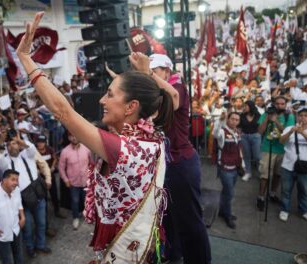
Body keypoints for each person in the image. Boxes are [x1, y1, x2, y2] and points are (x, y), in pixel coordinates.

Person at [15, 12, 175, 263]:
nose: (102, 100)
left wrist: (25, 58)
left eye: (110, 94)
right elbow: (152, 98)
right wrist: (144, 76)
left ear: (131, 107)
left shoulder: (120, 149)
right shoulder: (152, 135)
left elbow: (63, 112)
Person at [149, 54, 211, 263]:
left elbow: (173, 99)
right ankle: (174, 256)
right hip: (166, 164)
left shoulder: (178, 88)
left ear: (166, 71)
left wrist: (144, 72)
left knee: (190, 221)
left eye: (154, 71)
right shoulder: (156, 93)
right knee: (169, 218)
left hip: (181, 164)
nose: (151, 76)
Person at [0, 135, 51, 258]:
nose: (12, 146)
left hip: (37, 195)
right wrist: (0, 142)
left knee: (41, 223)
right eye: (9, 144)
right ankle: (30, 248)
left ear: (19, 145)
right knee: (28, 228)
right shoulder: (7, 163)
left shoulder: (27, 155)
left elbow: (31, 147)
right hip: (22, 201)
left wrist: (20, 140)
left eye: (14, 143)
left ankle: (41, 245)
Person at [256, 96, 295, 211]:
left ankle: (272, 194)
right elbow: (260, 131)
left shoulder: (289, 116)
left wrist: (276, 121)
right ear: (274, 104)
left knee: (277, 174)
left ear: (286, 104)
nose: (280, 106)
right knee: (265, 175)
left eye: (282, 104)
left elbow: (287, 132)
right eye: (277, 103)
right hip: (268, 148)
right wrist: (268, 119)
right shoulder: (267, 114)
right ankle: (261, 197)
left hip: (283, 150)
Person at [213, 112, 243, 229]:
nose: (234, 121)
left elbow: (239, 150)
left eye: (237, 119)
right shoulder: (222, 131)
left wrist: (242, 164)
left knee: (226, 192)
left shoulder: (237, 132)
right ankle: (228, 216)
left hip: (235, 168)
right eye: (232, 119)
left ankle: (222, 211)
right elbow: (215, 134)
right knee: (230, 194)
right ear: (228, 120)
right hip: (225, 169)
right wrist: (220, 121)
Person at [278, 106, 307, 222]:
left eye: (306, 116)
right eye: (301, 115)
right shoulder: (290, 127)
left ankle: (304, 210)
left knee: (304, 190)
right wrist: (291, 131)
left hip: (305, 166)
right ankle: (285, 209)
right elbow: (281, 141)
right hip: (288, 164)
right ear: (297, 117)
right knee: (286, 189)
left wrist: (303, 133)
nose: (303, 118)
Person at [58, 133, 91, 230]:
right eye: (72, 136)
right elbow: (61, 167)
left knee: (87, 200)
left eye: (76, 135)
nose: (74, 137)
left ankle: (87, 216)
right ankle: (75, 218)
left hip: (86, 181)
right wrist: (65, 180)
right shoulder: (65, 152)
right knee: (75, 201)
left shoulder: (86, 149)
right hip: (73, 183)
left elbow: (91, 163)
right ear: (69, 138)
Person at [239, 100, 262, 181]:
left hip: (255, 136)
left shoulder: (258, 115)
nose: (244, 107)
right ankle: (248, 172)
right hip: (244, 136)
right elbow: (239, 127)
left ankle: (261, 172)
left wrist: (259, 134)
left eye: (246, 106)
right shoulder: (242, 115)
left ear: (251, 106)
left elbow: (261, 126)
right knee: (246, 156)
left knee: (257, 156)